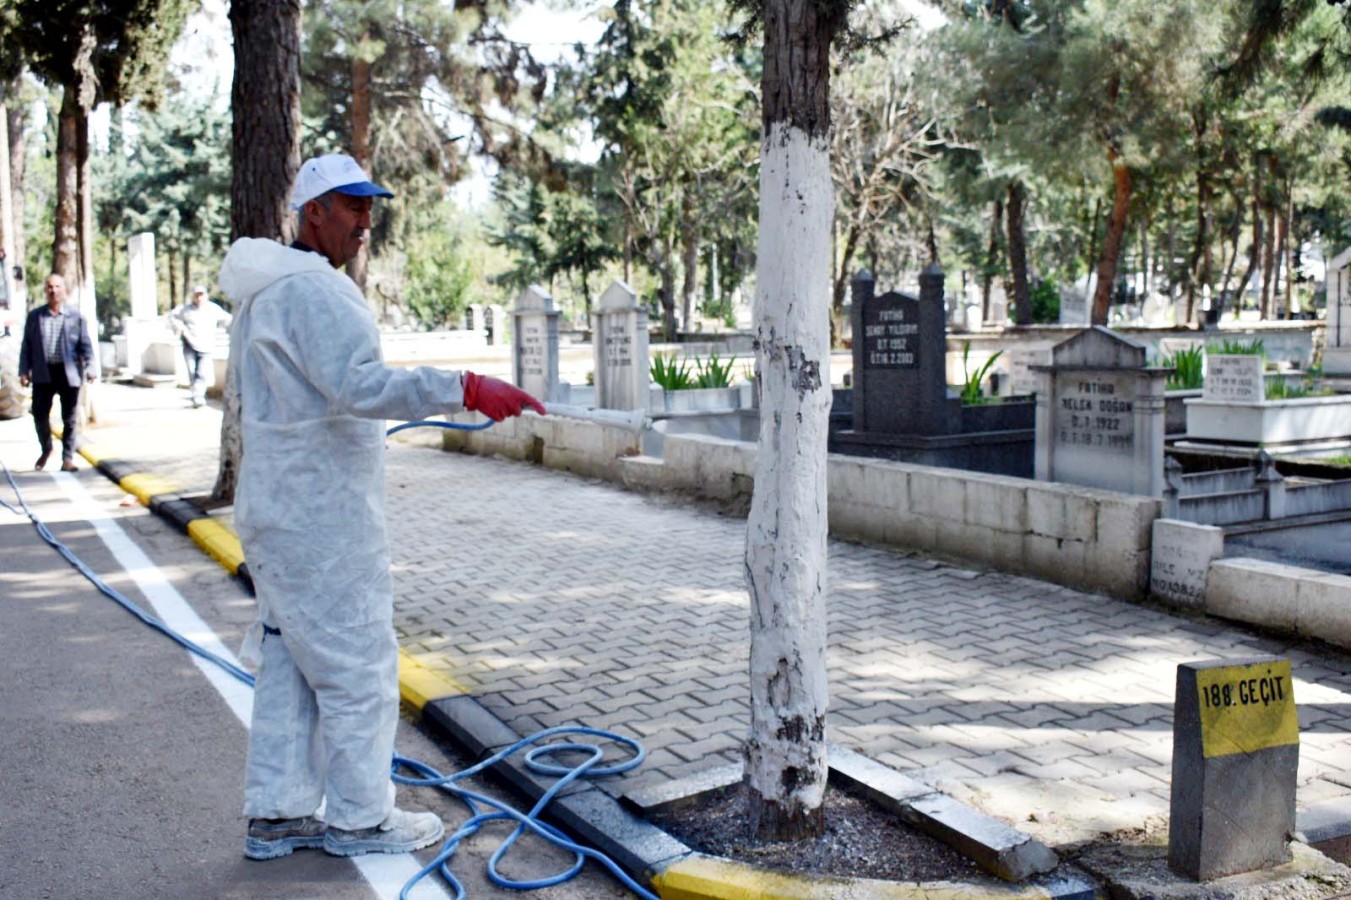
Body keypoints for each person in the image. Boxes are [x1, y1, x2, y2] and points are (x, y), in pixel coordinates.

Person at [219, 153, 545, 862]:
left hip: (279, 510)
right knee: (358, 663)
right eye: (351, 205)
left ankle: (277, 813)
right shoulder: (313, 292)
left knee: (291, 664)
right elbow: (359, 387)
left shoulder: (265, 292)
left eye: (370, 205)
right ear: (314, 213)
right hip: (320, 521)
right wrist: (464, 385)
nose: (367, 220)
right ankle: (362, 820)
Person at [17, 273, 95, 472]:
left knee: (69, 418)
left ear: (64, 290)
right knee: (39, 414)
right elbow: (26, 346)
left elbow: (85, 344)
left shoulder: (75, 316)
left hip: (68, 373)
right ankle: (46, 447)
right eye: (50, 287)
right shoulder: (35, 316)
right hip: (43, 372)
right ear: (46, 290)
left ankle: (67, 459)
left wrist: (90, 367)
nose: (54, 291)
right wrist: (24, 371)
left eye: (58, 287)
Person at [169, 284, 232, 408]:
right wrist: (180, 328)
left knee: (202, 372)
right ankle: (195, 392)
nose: (199, 297)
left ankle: (198, 396)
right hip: (189, 345)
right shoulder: (185, 310)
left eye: (201, 294)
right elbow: (172, 318)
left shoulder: (213, 309)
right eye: (197, 294)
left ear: (206, 295)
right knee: (192, 371)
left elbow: (228, 319)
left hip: (206, 345)